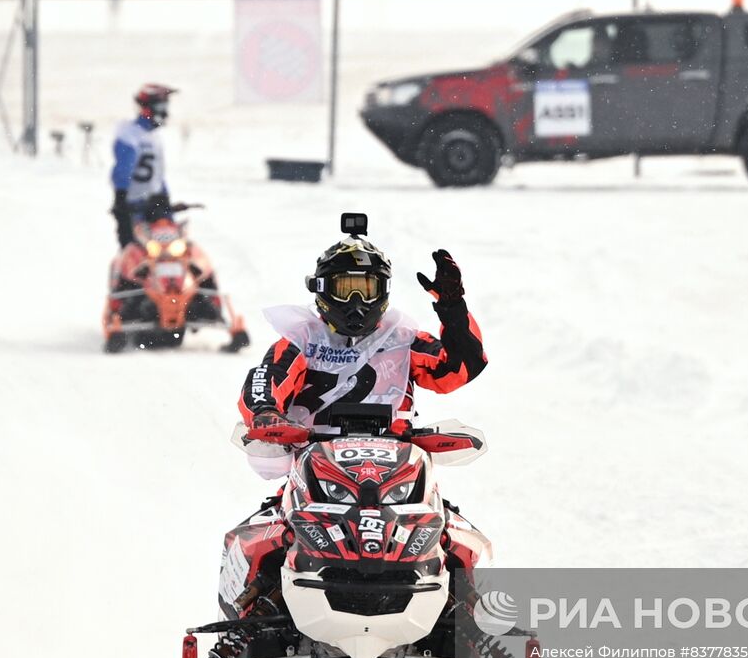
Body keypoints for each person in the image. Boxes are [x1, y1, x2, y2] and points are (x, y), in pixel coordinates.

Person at [237, 215, 487, 477]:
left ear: (384, 291)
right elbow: (267, 379)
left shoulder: (404, 339)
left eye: (367, 289)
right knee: (272, 518)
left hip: (397, 471)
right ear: (321, 288)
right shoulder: (302, 341)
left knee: (445, 519)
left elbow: (460, 370)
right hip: (315, 470)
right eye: (344, 288)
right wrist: (265, 410)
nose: (356, 301)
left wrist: (453, 309)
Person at [111, 84, 176, 249]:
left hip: (155, 206)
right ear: (147, 108)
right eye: (161, 107)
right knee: (134, 255)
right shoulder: (130, 134)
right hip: (132, 208)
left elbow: (158, 175)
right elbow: (123, 171)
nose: (165, 112)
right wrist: (121, 199)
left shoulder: (154, 137)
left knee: (168, 249)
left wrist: (165, 199)